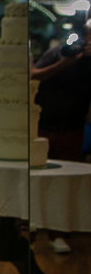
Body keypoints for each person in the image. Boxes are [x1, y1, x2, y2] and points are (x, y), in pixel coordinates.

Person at [31, 24, 91, 254]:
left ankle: (59, 233)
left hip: (73, 126)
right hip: (44, 123)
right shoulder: (57, 53)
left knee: (65, 184)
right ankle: (33, 230)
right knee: (39, 181)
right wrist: (64, 63)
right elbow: (33, 75)